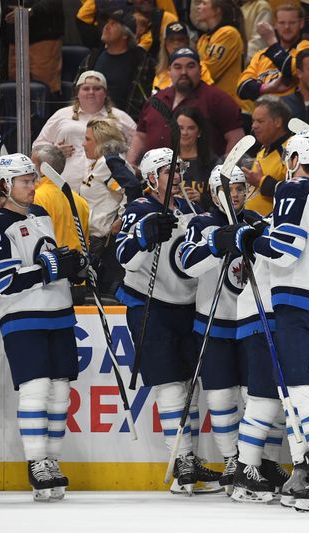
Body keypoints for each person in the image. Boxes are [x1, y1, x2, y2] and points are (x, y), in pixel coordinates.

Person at [212, 130, 309, 512]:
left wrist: (247, 239)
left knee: (304, 393)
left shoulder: (295, 191)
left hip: (300, 304)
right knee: (306, 392)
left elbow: (286, 251)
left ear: (292, 160)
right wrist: (256, 231)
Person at [116, 148, 223, 495]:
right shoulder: (140, 209)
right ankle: (180, 462)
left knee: (189, 385)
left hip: (186, 305)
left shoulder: (189, 209)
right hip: (151, 306)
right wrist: (145, 235)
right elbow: (124, 258)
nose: (176, 176)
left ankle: (187, 459)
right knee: (171, 385)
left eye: (178, 170)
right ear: (150, 178)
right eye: (167, 171)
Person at [0, 153, 86, 501]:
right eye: (25, 181)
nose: (32, 186)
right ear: (5, 185)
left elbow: (52, 259)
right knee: (37, 388)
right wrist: (51, 269)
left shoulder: (41, 216)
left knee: (60, 393)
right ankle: (36, 461)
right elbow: (3, 281)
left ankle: (52, 461)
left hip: (59, 312)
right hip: (23, 317)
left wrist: (76, 266)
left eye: (33, 180)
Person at [179, 165, 259, 494]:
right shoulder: (202, 223)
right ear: (214, 194)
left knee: (254, 396)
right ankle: (231, 459)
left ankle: (255, 461)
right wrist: (216, 244)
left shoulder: (255, 220)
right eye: (231, 189)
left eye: (241, 188)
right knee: (221, 395)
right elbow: (185, 262)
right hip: (213, 323)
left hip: (251, 322)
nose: (237, 194)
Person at [127, 47, 243, 166]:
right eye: (177, 67)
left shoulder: (217, 99)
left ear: (200, 70)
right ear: (169, 72)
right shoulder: (156, 100)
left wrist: (226, 171)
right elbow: (140, 136)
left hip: (200, 179)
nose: (184, 72)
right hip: (154, 177)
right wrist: (130, 166)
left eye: (190, 66)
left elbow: (236, 137)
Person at [33, 70, 136, 192]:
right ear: (78, 93)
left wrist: (129, 164)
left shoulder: (120, 117)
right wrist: (54, 152)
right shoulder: (61, 115)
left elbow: (139, 143)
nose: (91, 92)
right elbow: (36, 147)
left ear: (105, 93)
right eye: (86, 88)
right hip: (65, 186)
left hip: (107, 191)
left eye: (97, 88)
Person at [77, 120, 141, 296]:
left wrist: (123, 218)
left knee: (103, 293)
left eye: (87, 139)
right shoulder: (100, 163)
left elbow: (133, 186)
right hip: (95, 238)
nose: (83, 143)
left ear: (100, 141)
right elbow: (121, 190)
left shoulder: (109, 162)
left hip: (103, 243)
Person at [237, 3, 309, 102]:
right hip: (262, 112)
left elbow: (292, 70)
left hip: (294, 112)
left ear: (301, 23)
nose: (286, 27)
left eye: (292, 23)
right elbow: (242, 88)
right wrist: (267, 88)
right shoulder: (261, 55)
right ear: (275, 24)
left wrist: (272, 41)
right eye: (281, 23)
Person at [88, 2, 152, 118]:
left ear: (125, 35)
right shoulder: (93, 57)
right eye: (107, 22)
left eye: (113, 24)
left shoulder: (140, 62)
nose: (106, 26)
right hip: (89, 118)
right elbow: (77, 89)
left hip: (123, 122)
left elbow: (139, 104)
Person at [30, 145, 90, 254]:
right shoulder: (81, 201)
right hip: (79, 265)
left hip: (53, 265)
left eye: (32, 165)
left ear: (44, 169)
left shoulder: (35, 198)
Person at [196, 0, 250, 116]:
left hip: (233, 107)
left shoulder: (229, 34)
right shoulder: (203, 39)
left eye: (204, 3)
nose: (198, 7)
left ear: (217, 11)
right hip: (213, 107)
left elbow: (208, 71)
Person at [241, 96, 291, 216]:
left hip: (272, 227)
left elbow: (297, 191)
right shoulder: (263, 148)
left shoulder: (292, 149)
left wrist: (262, 182)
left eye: (260, 121)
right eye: (253, 121)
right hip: (250, 224)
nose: (254, 126)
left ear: (277, 122)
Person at [4, 0, 64, 94]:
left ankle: (50, 109)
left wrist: (31, 11)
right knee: (14, 87)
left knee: (45, 87)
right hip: (15, 38)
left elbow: (54, 3)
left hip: (43, 38)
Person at [151, 21, 213, 94]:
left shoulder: (200, 68)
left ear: (187, 42)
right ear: (165, 44)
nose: (176, 44)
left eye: (181, 40)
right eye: (171, 40)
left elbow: (208, 96)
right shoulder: (160, 74)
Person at [175, 106, 216, 208]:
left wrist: (201, 198)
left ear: (199, 132)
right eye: (180, 128)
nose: (184, 133)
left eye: (191, 128)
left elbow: (225, 199)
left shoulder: (214, 163)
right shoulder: (165, 161)